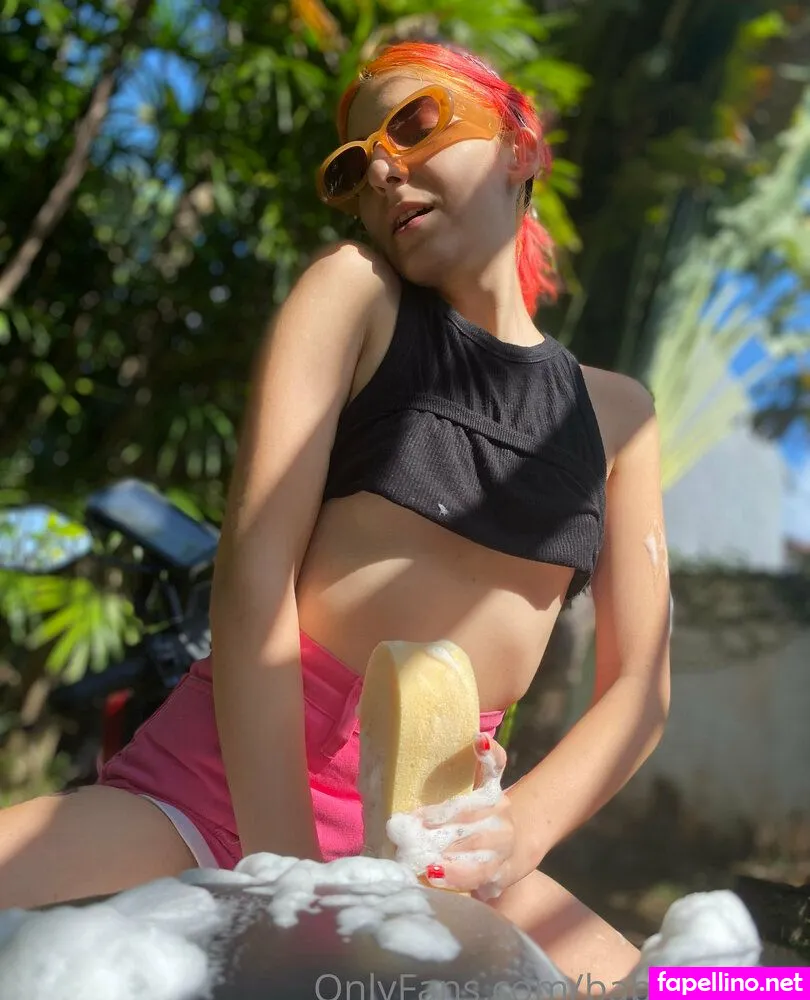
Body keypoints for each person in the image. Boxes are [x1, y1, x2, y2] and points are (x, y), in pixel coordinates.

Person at [0, 40, 671, 981]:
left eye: (415, 124)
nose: (384, 169)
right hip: (213, 799)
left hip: (442, 851)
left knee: (721, 984)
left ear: (520, 144)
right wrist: (290, 885)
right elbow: (253, 578)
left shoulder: (620, 417)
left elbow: (640, 689)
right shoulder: (355, 296)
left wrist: (516, 835)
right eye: (355, 167)